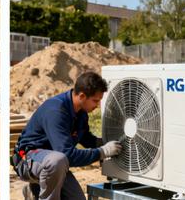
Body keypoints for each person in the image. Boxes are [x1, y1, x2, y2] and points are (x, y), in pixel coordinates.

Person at [13, 71, 122, 200]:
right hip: (27, 160)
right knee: (57, 160)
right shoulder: (56, 111)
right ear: (82, 96)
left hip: (54, 165)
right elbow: (68, 155)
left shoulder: (80, 113)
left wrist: (107, 143)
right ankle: (38, 189)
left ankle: (35, 190)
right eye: (95, 101)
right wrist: (102, 152)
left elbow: (86, 139)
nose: (97, 106)